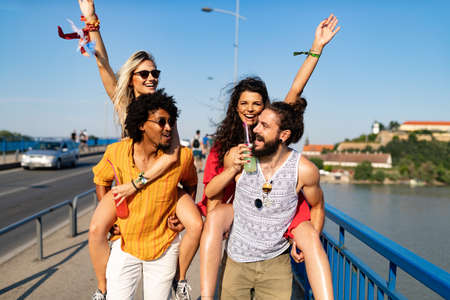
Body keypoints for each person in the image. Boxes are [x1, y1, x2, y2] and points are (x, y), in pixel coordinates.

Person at [199, 14, 340, 299]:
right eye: (244, 104)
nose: (252, 111)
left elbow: (296, 89)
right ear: (235, 107)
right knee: (215, 219)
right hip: (238, 217)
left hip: (279, 216)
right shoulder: (229, 145)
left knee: (309, 236)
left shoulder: (274, 128)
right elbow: (212, 193)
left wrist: (317, 48)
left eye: (258, 105)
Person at [76, 1, 202, 299]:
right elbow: (100, 62)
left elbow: (174, 156)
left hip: (163, 179)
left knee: (195, 223)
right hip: (131, 178)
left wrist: (138, 186)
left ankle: (180, 279)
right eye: (144, 74)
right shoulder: (123, 104)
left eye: (155, 73)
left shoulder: (164, 110)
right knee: (96, 230)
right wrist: (91, 19)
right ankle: (103, 288)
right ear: (131, 77)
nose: (151, 78)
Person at [221, 98, 333, 300]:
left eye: (264, 125)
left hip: (276, 265)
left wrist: (306, 242)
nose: (256, 129)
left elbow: (317, 206)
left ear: (283, 135)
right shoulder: (240, 157)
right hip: (236, 260)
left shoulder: (304, 170)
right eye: (257, 123)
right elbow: (215, 194)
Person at [91, 91, 198, 300]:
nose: (169, 127)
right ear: (141, 125)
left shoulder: (182, 157)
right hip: (124, 244)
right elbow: (101, 180)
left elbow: (191, 182)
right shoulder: (116, 152)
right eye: (161, 122)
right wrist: (109, 214)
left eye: (171, 122)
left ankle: (181, 279)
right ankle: (102, 290)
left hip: (163, 247)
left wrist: (183, 216)